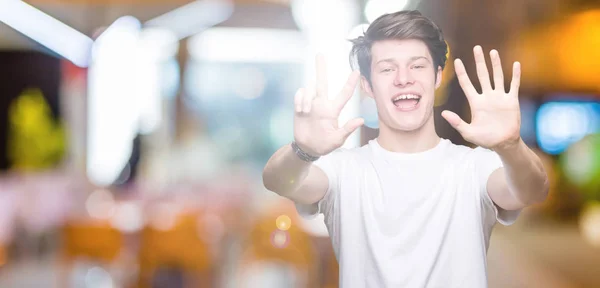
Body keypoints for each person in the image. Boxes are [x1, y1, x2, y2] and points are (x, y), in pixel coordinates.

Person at [262, 10, 548, 288]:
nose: (403, 78)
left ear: (437, 77)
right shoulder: (342, 169)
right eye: (387, 68)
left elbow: (533, 190)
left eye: (417, 66)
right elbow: (278, 181)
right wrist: (303, 151)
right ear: (368, 85)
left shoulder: (473, 167)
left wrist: (511, 146)